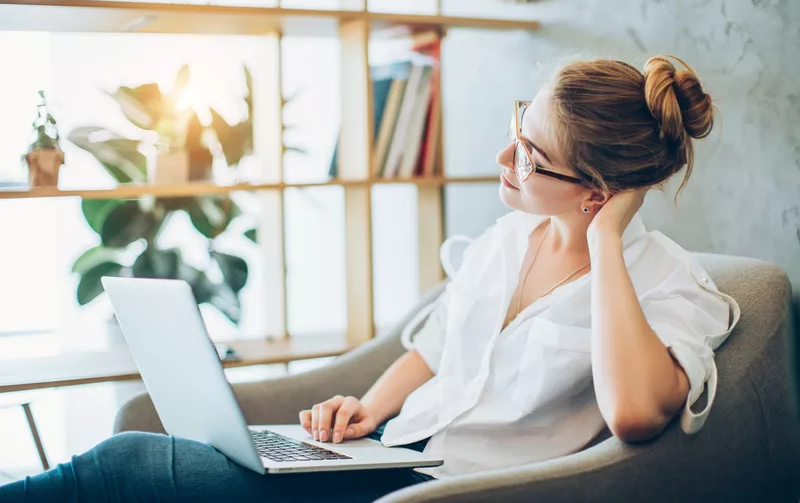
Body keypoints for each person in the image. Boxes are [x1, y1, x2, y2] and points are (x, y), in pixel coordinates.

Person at [0, 54, 739, 502]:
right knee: (136, 463)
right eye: (518, 129)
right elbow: (438, 344)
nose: (501, 160)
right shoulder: (510, 237)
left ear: (598, 192)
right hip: (387, 455)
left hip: (444, 491)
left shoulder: (668, 285)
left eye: (528, 155)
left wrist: (606, 239)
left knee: (129, 465)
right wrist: (365, 407)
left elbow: (637, 412)